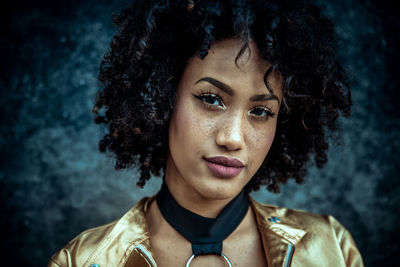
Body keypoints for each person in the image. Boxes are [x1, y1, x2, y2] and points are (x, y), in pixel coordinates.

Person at [48, 0, 364, 266]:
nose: (233, 138)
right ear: (161, 98)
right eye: (211, 99)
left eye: (261, 112)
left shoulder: (331, 248)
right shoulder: (83, 260)